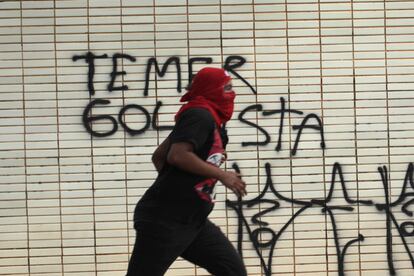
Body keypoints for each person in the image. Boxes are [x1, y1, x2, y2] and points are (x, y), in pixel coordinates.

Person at [125, 67, 248, 276]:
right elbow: (177, 155)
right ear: (211, 89)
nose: (231, 93)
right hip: (165, 220)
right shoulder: (199, 115)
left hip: (194, 221)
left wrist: (188, 174)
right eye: (226, 88)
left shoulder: (206, 116)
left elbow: (159, 156)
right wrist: (222, 174)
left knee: (232, 271)